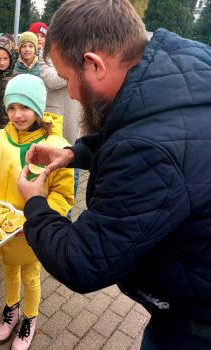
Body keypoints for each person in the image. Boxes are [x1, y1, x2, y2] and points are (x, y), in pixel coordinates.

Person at [17, 0, 211, 348]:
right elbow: (141, 126)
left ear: (94, 65)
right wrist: (74, 152)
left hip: (194, 324)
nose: (72, 94)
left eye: (67, 78)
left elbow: (84, 260)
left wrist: (35, 205)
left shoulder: (148, 152)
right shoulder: (182, 70)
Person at [0, 74, 74, 350]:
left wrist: (39, 219)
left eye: (25, 107)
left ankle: (30, 317)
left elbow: (63, 196)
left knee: (30, 276)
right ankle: (11, 308)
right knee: (8, 272)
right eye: (12, 107)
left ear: (38, 109)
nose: (17, 115)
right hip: (1, 233)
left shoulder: (57, 148)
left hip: (32, 232)